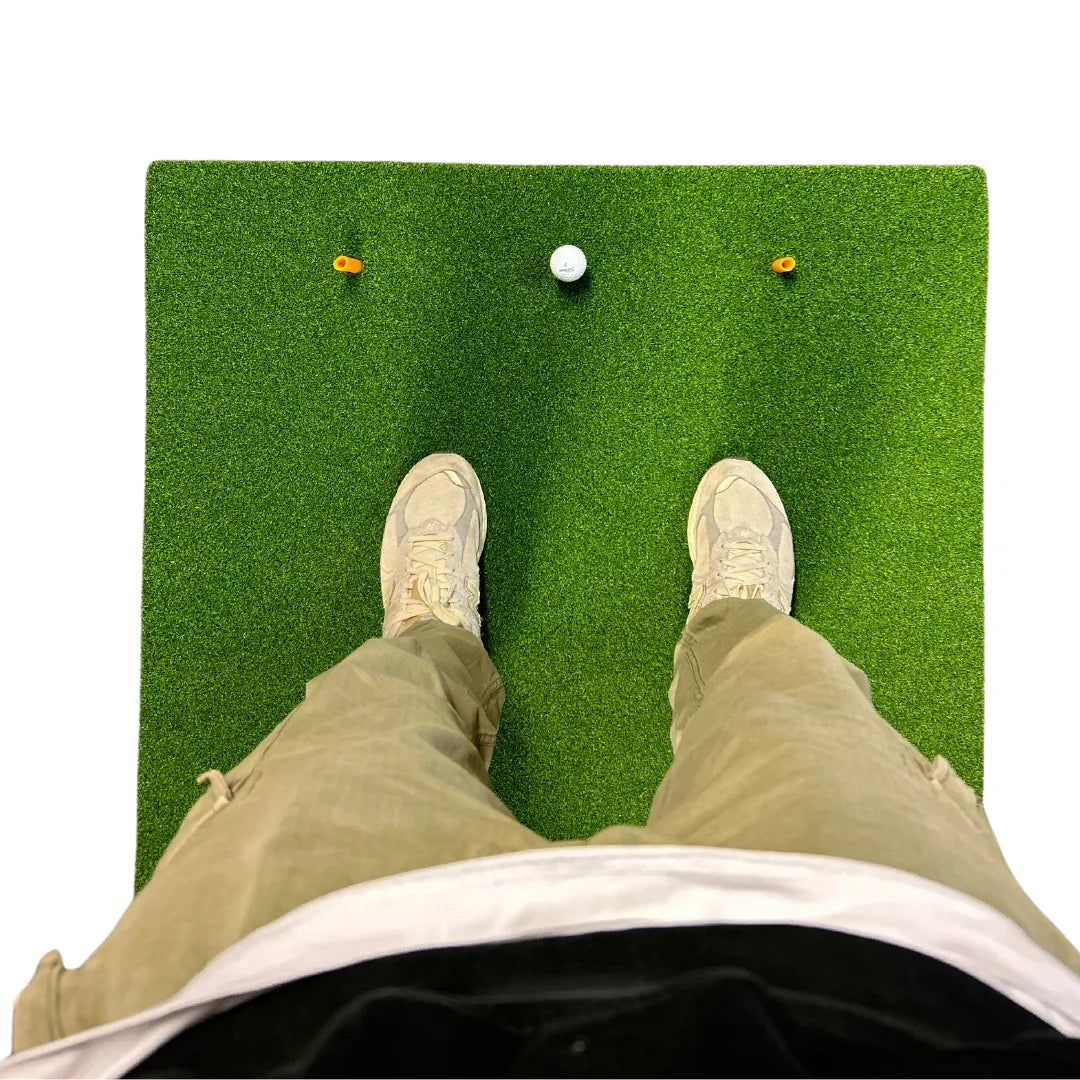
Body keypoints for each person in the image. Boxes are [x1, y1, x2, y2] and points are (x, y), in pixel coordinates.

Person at [4, 453, 1080, 1077]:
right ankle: (731, 629)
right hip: (903, 967)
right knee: (794, 701)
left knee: (362, 718)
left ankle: (432, 646)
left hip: (263, 994)